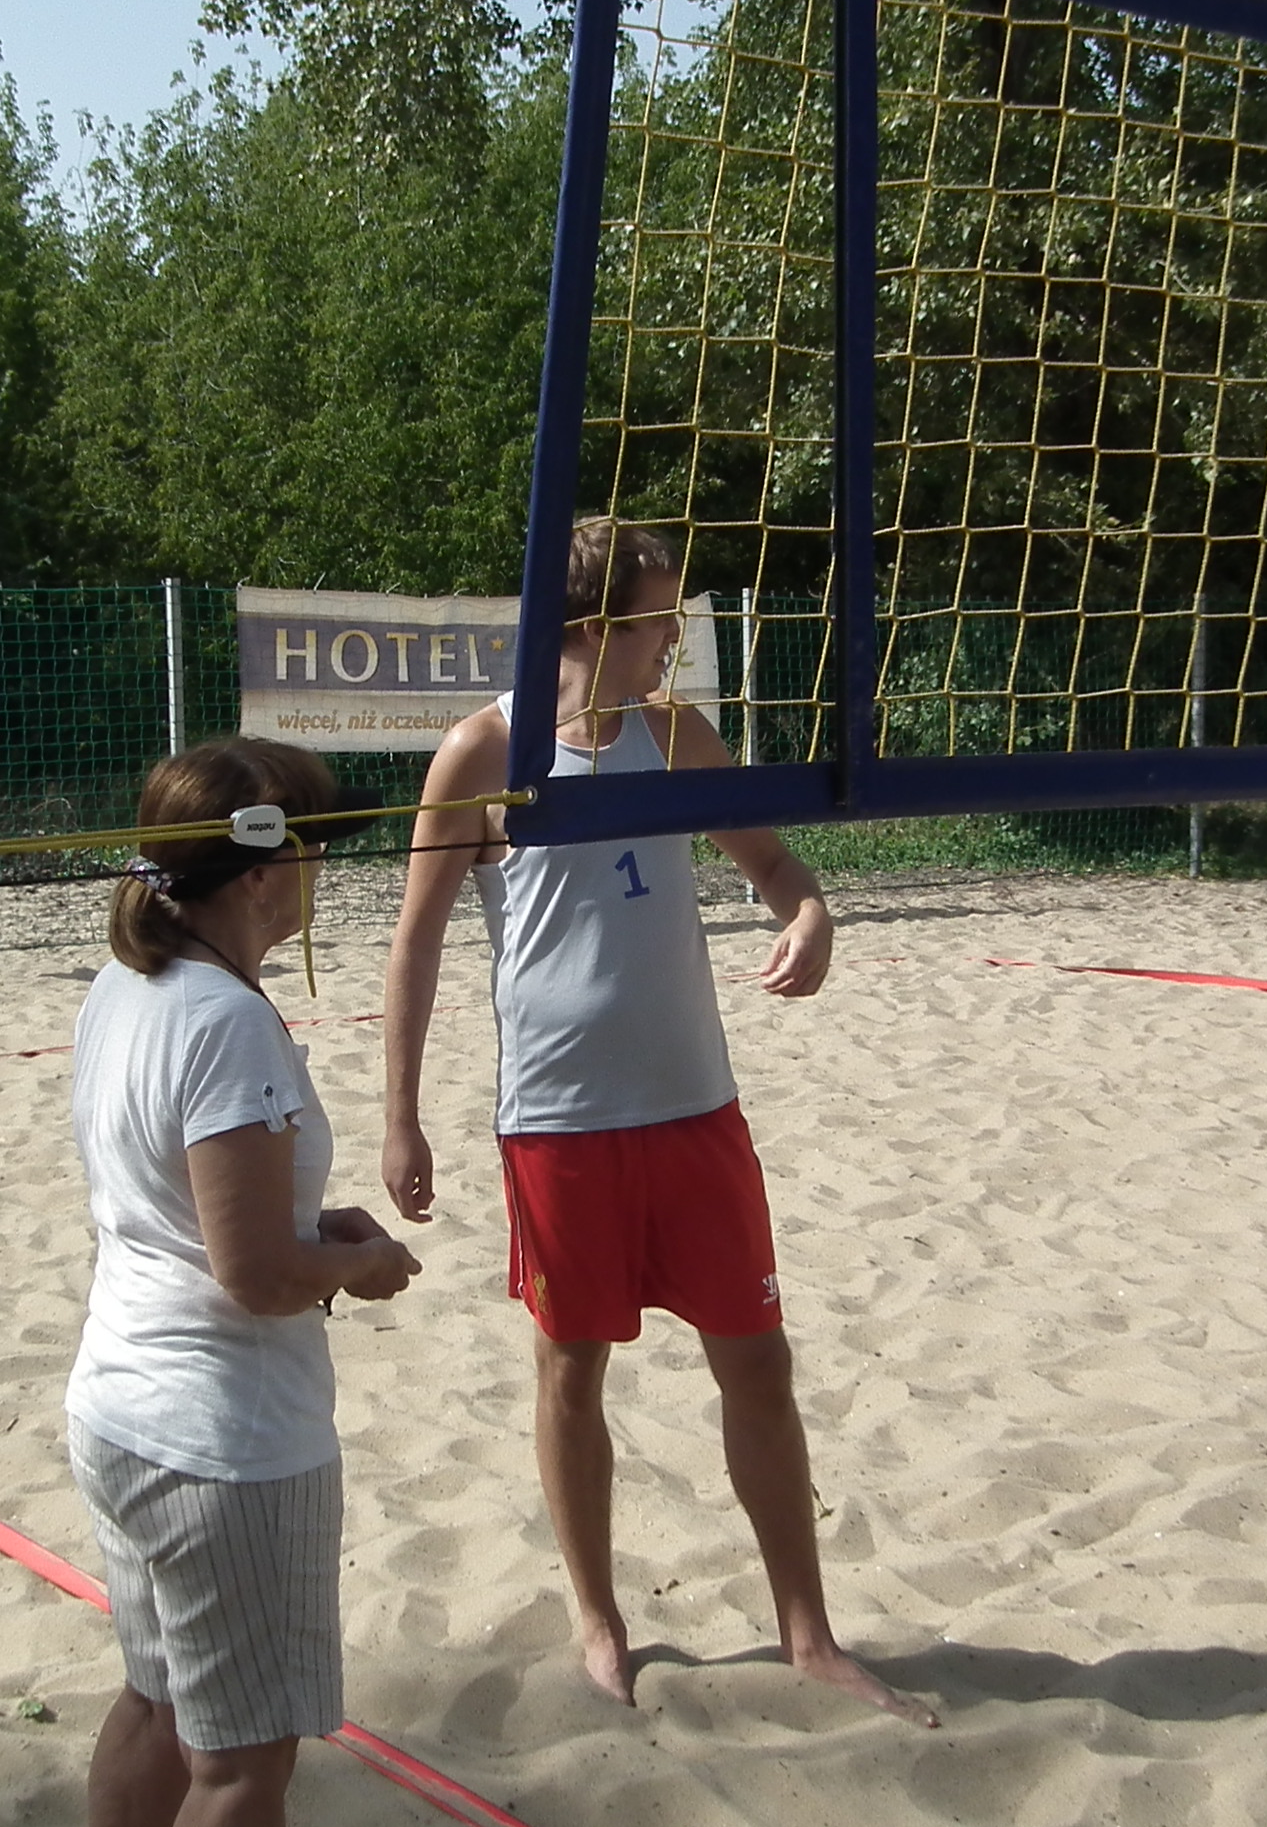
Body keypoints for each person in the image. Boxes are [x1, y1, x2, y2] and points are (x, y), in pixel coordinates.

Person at [381, 518, 930, 1725]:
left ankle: (807, 1633)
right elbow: (414, 943)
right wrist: (401, 1118)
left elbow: (774, 866)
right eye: (654, 622)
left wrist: (810, 914)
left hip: (693, 1107)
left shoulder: (677, 734)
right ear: (587, 627)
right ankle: (601, 1623)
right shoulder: (482, 752)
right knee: (572, 1368)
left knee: (758, 1362)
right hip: (559, 1120)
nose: (673, 641)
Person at [64, 738, 420, 1827]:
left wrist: (307, 1229)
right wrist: (356, 1265)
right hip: (219, 1434)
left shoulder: (132, 984)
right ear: (271, 868)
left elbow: (193, 1212)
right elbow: (256, 1276)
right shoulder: (225, 1022)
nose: (322, 872)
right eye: (313, 849)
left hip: (121, 1401)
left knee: (156, 1703)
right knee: (242, 1762)